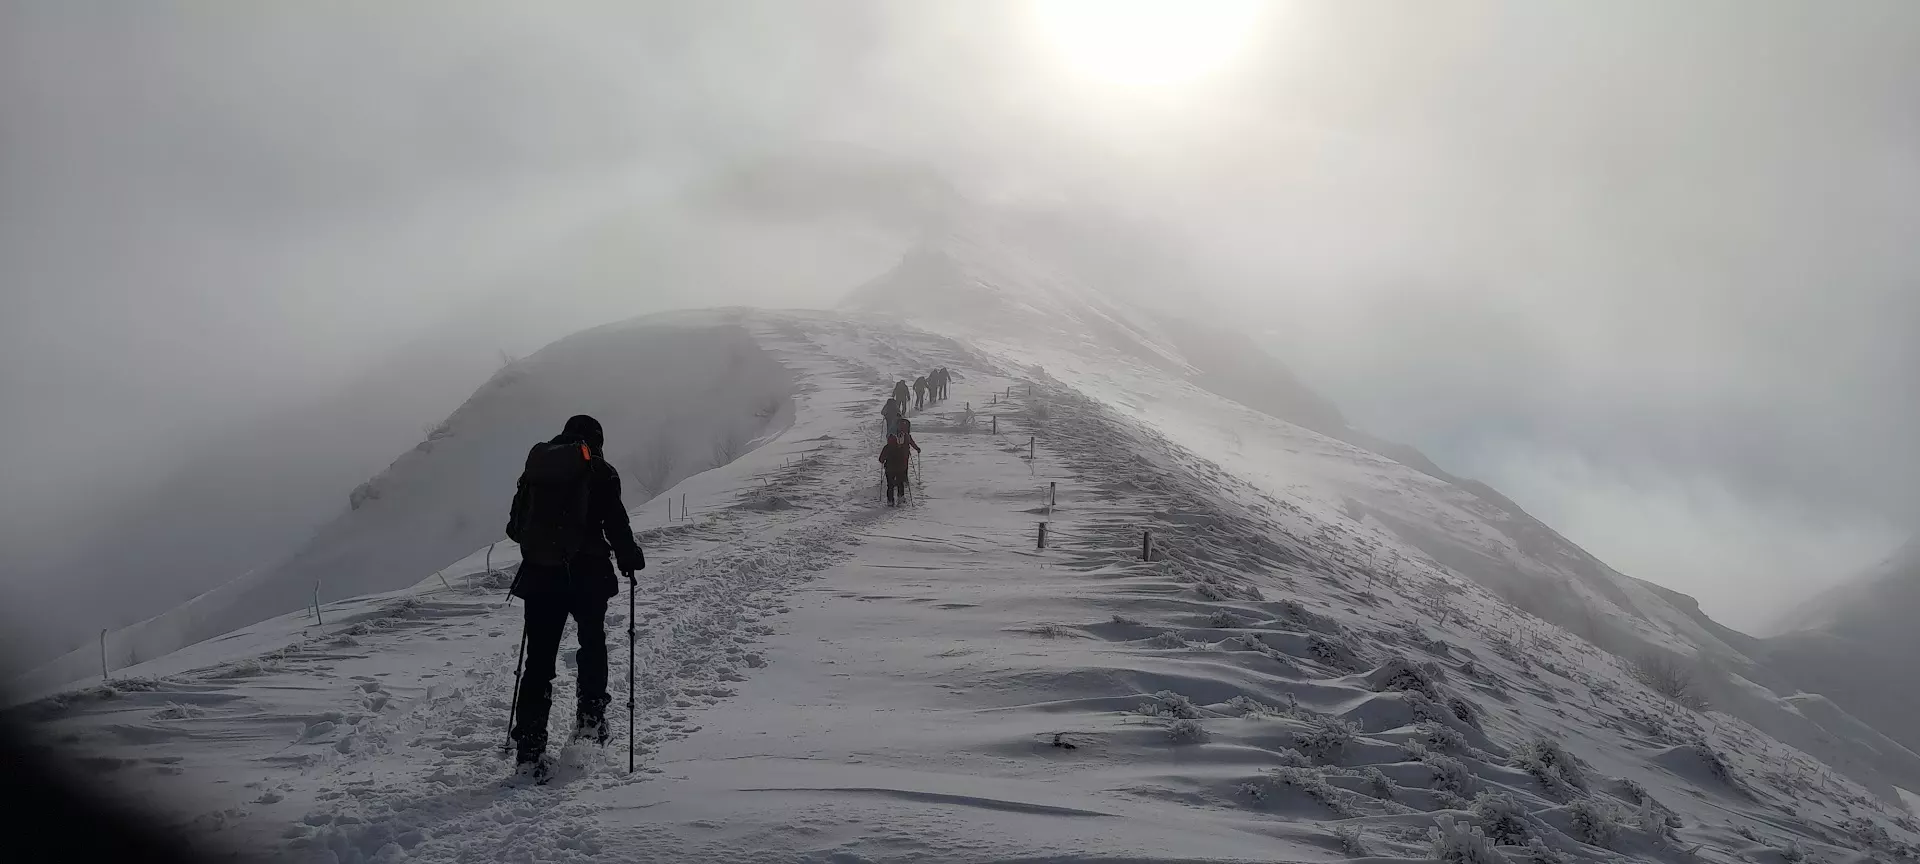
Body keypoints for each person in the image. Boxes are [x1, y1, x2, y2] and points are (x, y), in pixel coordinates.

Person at [505, 414, 645, 774]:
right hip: (587, 576)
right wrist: (629, 557)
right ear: (596, 439)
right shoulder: (600, 470)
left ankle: (530, 748)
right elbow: (615, 521)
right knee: (592, 645)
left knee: (538, 663)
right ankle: (590, 724)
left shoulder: (538, 466)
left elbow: (514, 527)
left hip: (540, 577)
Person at [879, 428, 919, 506]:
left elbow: (881, 459)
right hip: (900, 469)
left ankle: (890, 501)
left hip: (889, 470)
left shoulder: (886, 448)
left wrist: (884, 460)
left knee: (890, 485)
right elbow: (904, 458)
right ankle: (901, 498)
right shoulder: (900, 447)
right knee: (900, 483)